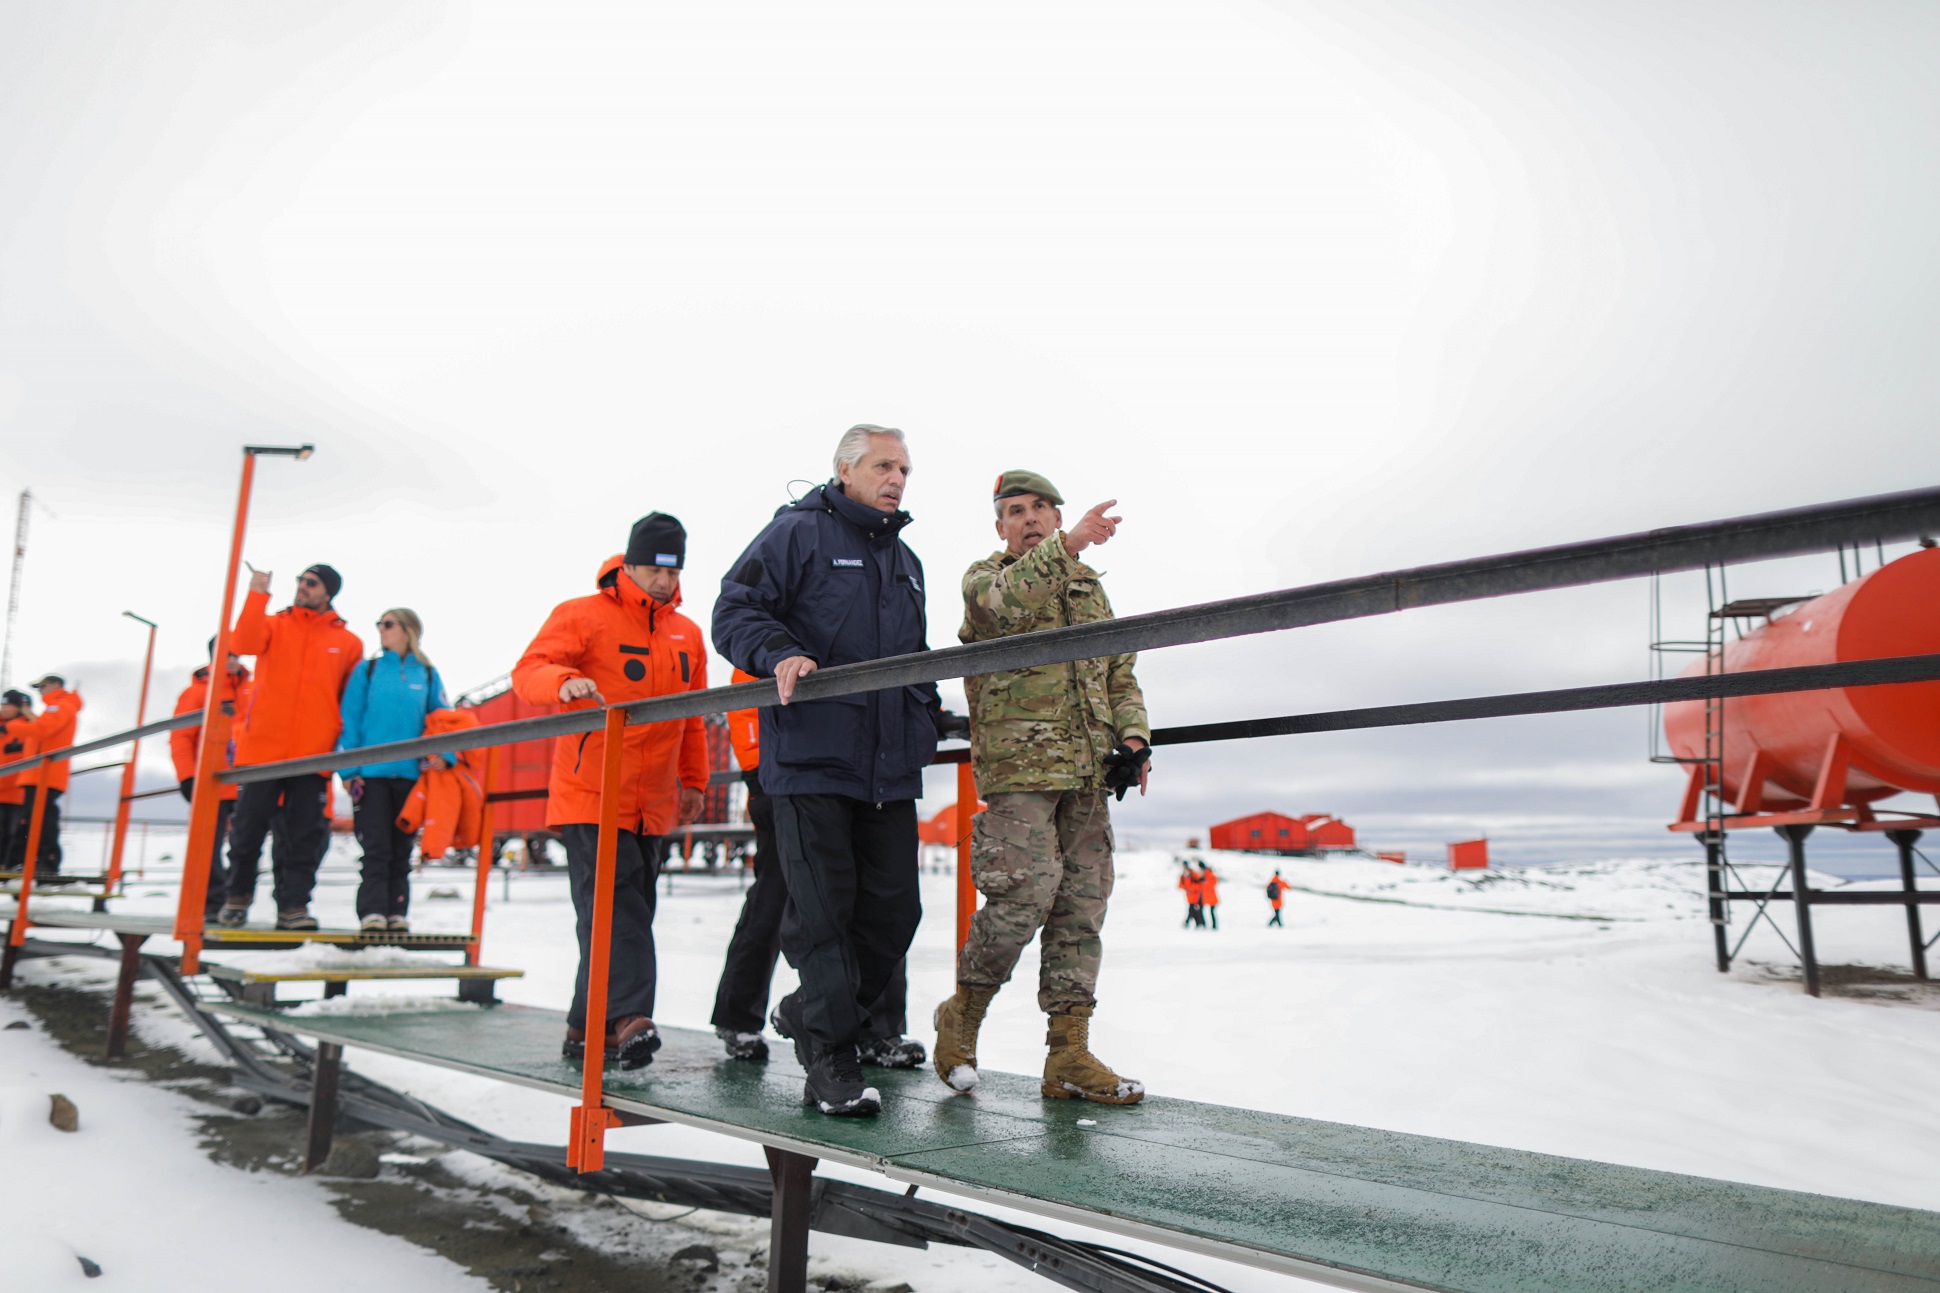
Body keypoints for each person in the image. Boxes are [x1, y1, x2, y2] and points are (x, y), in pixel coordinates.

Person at [712, 424, 944, 1118]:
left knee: (897, 909)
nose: (897, 477)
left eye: (904, 467)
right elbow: (734, 608)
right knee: (823, 917)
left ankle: (809, 1012)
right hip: (813, 757)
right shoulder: (797, 534)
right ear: (844, 470)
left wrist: (931, 713)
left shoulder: (907, 560)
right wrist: (779, 649)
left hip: (889, 766)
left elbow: (913, 655)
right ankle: (831, 1064)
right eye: (883, 464)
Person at [933, 470, 1151, 1106]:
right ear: (999, 526)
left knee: (1082, 908)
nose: (1029, 519)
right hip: (1021, 773)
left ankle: (1068, 1054)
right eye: (1015, 511)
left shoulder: (1088, 591)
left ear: (1055, 517)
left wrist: (1133, 739)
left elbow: (1120, 671)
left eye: (1041, 510)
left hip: (1086, 769)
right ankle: (963, 1018)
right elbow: (1008, 604)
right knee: (1019, 900)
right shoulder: (986, 580)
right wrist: (1071, 546)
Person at [511, 513, 710, 1071]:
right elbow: (528, 671)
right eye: (653, 569)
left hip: (652, 804)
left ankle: (583, 1029)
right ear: (629, 563)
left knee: (625, 912)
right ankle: (630, 1021)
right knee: (617, 911)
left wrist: (694, 781)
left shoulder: (687, 634)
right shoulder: (583, 615)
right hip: (591, 791)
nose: (664, 582)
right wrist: (562, 681)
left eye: (673, 572)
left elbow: (692, 718)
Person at [709, 668, 927, 1069]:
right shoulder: (785, 622)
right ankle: (737, 1016)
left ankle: (875, 1027)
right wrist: (760, 764)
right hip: (784, 772)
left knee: (872, 900)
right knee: (777, 895)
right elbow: (748, 687)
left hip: (847, 772)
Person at [221, 563, 363, 930]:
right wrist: (257, 593)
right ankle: (236, 899)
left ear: (328, 592)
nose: (302, 586)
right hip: (262, 752)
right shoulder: (273, 624)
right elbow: (242, 643)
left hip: (313, 754)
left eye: (311, 583)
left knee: (304, 837)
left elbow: (349, 698)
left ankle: (293, 908)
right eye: (300, 580)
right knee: (247, 831)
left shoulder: (348, 642)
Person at [338, 608, 449, 933]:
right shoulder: (368, 671)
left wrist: (444, 756)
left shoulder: (427, 675)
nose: (381, 630)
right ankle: (372, 913)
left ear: (408, 631)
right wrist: (348, 771)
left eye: (387, 624)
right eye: (379, 624)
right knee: (376, 847)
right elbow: (351, 720)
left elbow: (442, 720)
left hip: (412, 777)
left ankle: (397, 912)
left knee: (402, 847)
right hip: (370, 776)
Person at [169, 641, 251, 922]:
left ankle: (235, 901)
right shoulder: (197, 692)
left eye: (236, 653)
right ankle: (211, 903)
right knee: (208, 846)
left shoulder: (251, 689)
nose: (232, 659)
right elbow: (181, 736)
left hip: (247, 780)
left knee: (244, 845)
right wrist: (188, 777)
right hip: (211, 782)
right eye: (226, 653)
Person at [7, 675, 84, 880]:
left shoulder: (59, 706)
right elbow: (44, 732)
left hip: (45, 775)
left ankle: (46, 865)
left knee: (43, 820)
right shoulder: (53, 708)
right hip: (38, 775)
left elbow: (43, 730)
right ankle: (21, 863)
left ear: (55, 685)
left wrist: (9, 726)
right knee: (32, 820)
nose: (40, 691)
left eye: (42, 686)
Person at [0, 690, 39, 873]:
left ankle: (9, 867)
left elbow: (42, 729)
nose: (4, 709)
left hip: (18, 793)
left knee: (13, 834)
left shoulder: (28, 727)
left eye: (9, 705)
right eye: (3, 705)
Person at [1178, 858, 1204, 929]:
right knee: (1193, 910)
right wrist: (1186, 888)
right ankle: (1199, 923)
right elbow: (1180, 885)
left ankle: (1188, 922)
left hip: (1196, 896)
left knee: (1193, 910)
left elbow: (1199, 884)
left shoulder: (1193, 874)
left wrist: (1191, 888)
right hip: (1189, 897)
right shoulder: (1183, 876)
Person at [1198, 860, 1220, 931]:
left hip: (1211, 897)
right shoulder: (1203, 875)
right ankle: (1202, 923)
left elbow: (1213, 883)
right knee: (1201, 909)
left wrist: (1205, 882)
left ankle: (1214, 925)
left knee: (1212, 911)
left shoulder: (1209, 874)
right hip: (1205, 897)